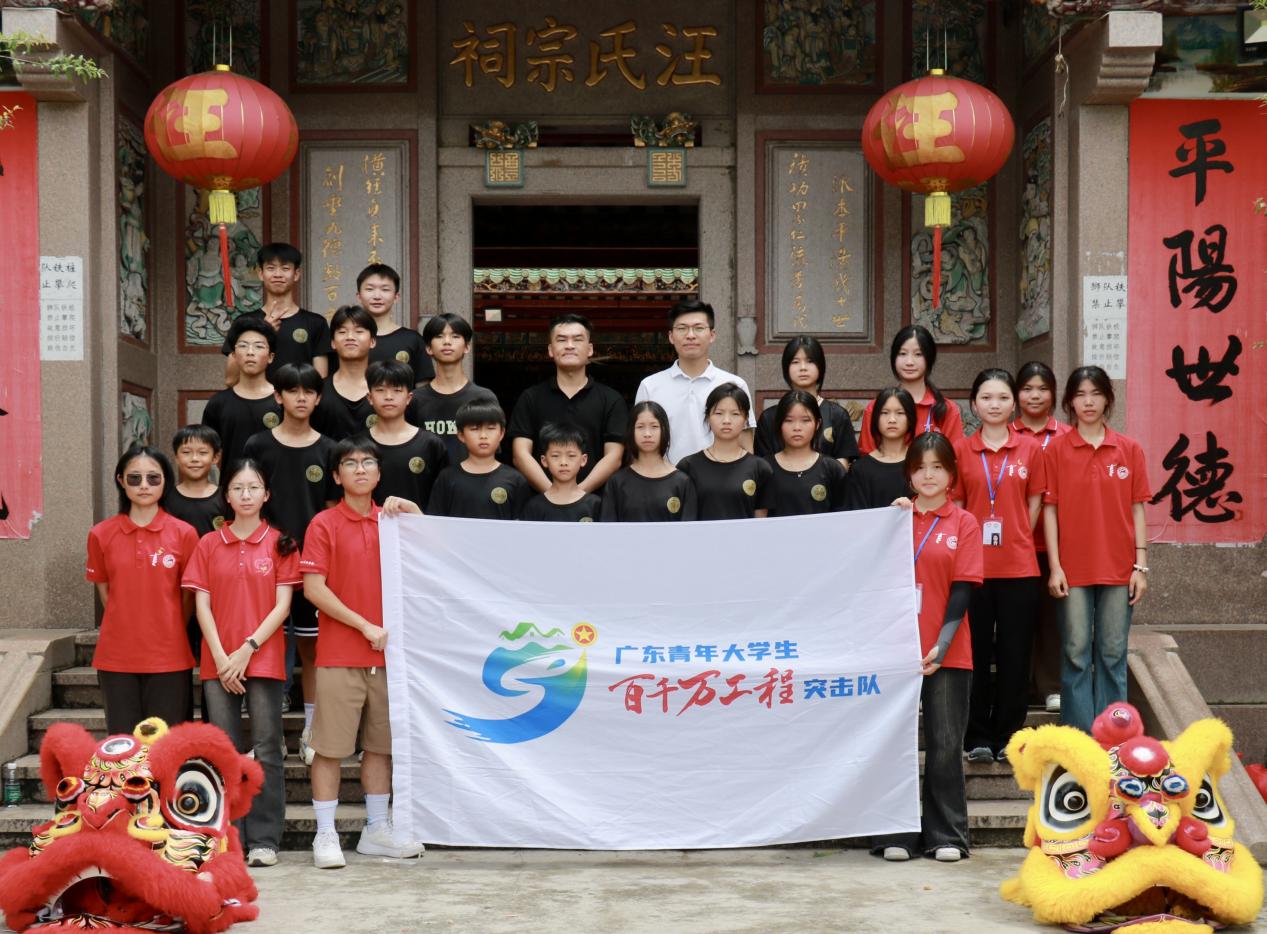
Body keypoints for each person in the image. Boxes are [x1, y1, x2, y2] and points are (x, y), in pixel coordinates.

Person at [300, 436, 425, 868]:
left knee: (381, 747)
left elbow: (433, 558)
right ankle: (325, 833)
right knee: (330, 748)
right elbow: (314, 589)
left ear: (379, 472)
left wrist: (413, 511)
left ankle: (376, 829)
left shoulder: (392, 521)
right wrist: (363, 625)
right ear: (336, 476)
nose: (360, 469)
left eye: (368, 462)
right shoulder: (323, 524)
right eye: (350, 464)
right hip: (339, 654)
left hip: (390, 657)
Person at [182, 458, 300, 869]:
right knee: (223, 750)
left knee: (267, 747)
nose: (246, 495)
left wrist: (247, 648)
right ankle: (227, 838)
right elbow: (202, 605)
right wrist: (220, 657)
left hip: (263, 658)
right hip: (218, 662)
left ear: (266, 494)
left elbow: (282, 606)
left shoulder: (281, 543)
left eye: (253, 487)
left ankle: (265, 839)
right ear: (227, 496)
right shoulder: (208, 544)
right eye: (238, 488)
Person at [872, 432, 982, 863]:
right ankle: (894, 833)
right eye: (920, 468)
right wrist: (888, 520)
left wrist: (942, 644)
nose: (929, 475)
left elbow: (963, 589)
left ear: (951, 473)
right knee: (894, 743)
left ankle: (947, 835)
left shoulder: (964, 523)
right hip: (896, 649)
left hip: (947, 651)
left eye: (938, 467)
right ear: (909, 474)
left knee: (945, 744)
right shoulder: (896, 519)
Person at [1043, 366, 1151, 734]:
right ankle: (1078, 738)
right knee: (1075, 651)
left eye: (1095, 393)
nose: (1088, 402)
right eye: (1080, 395)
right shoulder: (1057, 450)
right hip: (1072, 569)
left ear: (1108, 399)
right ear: (1069, 402)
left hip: (1120, 569)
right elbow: (1050, 510)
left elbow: (1137, 508)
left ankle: (1113, 738)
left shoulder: (1129, 449)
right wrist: (1055, 566)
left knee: (1112, 653)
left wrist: (1141, 566)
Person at [243, 362, 338, 763]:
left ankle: (312, 732)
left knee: (312, 650)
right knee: (267, 648)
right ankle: (270, 735)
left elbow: (332, 509)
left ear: (318, 398)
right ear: (278, 396)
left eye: (309, 391)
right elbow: (247, 500)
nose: (301, 398)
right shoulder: (257, 446)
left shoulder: (329, 449)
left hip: (314, 566)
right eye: (293, 391)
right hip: (266, 563)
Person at [952, 369, 1046, 764]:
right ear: (974, 404)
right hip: (973, 569)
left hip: (1020, 567)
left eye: (1003, 398)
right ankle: (976, 735)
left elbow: (1035, 501)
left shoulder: (1030, 449)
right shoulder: (961, 450)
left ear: (1014, 404)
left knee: (1015, 654)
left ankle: (1010, 735)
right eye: (987, 398)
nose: (995, 405)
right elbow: (957, 505)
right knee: (972, 653)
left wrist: (1019, 533)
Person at [86, 445, 198, 735]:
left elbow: (188, 596)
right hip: (116, 657)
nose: (144, 485)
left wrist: (169, 626)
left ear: (165, 481)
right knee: (123, 745)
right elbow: (105, 592)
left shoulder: (184, 533)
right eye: (134, 478)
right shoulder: (100, 534)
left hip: (169, 655)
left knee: (165, 745)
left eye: (153, 478)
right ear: (121, 481)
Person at [508, 313, 626, 494]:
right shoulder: (530, 398)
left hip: (594, 503)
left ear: (590, 349)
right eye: (562, 340)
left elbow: (614, 457)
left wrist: (578, 495)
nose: (569, 345)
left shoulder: (611, 399)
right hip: (541, 503)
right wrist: (553, 494)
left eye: (577, 339)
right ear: (550, 349)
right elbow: (520, 454)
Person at [1013, 360, 1071, 715]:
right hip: (1012, 544)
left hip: (1056, 544)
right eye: (1027, 389)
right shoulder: (1005, 433)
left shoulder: (1067, 435)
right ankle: (1017, 685)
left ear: (1054, 394)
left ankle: (1050, 685)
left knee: (1052, 619)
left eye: (1042, 389)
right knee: (1018, 619)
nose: (1035, 396)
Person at [635, 298, 756, 464]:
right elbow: (640, 444)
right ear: (671, 336)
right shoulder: (650, 386)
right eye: (682, 328)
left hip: (721, 477)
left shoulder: (734, 384)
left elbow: (745, 444)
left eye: (698, 328)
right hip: (666, 478)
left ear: (712, 335)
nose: (690, 335)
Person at [220, 243, 329, 386]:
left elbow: (320, 382)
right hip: (256, 400)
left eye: (285, 268)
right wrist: (262, 332)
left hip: (299, 399)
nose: (278, 274)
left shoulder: (316, 323)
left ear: (296, 274)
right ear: (261, 274)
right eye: (271, 268)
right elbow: (231, 380)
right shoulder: (243, 323)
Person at [407, 312, 497, 463]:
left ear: (467, 347)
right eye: (439, 336)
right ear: (428, 348)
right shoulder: (414, 399)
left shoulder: (483, 397)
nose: (447, 342)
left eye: (455, 336)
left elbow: (490, 453)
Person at [857, 325, 963, 454]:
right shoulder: (876, 408)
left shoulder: (947, 409)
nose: (909, 362)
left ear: (930, 358)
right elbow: (867, 457)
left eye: (918, 354)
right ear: (893, 358)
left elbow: (954, 459)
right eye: (902, 354)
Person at [754, 336, 858, 467]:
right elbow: (762, 465)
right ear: (786, 367)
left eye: (810, 361)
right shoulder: (769, 417)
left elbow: (842, 463)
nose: (803, 368)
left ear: (820, 366)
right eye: (795, 362)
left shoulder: (837, 415)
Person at [327, 264, 434, 386]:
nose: (377, 296)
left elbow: (422, 390)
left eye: (385, 290)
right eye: (370, 289)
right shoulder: (343, 339)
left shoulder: (413, 340)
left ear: (396, 297)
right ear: (359, 296)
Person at [677, 383, 771, 520]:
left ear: (746, 419)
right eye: (719, 413)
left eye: (735, 414)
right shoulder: (688, 466)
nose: (726, 420)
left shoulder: (760, 468)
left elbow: (761, 523)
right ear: (708, 417)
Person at [427, 399, 531, 520]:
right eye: (474, 429)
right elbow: (435, 523)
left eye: (491, 428)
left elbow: (523, 526)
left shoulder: (515, 480)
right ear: (461, 435)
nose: (483, 436)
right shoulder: (447, 478)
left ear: (501, 433)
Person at [366, 360, 448, 511]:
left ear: (409, 398)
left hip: (420, 524)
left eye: (397, 390)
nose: (388, 396)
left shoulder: (430, 444)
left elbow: (443, 498)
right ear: (370, 398)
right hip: (370, 526)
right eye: (380, 390)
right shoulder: (359, 446)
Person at [202, 318, 283, 466]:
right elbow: (207, 451)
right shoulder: (218, 403)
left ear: (271, 357)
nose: (250, 352)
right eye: (243, 346)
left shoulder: (283, 401)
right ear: (234, 355)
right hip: (231, 480)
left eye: (259, 346)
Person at [600, 401, 697, 522]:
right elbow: (608, 530)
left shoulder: (682, 482)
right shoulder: (617, 482)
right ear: (631, 431)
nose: (647, 434)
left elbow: (689, 530)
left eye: (654, 426)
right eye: (640, 427)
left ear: (664, 430)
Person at [761, 391, 848, 516]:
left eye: (805, 420)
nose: (797, 427)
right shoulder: (764, 468)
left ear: (817, 424)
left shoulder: (833, 469)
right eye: (789, 420)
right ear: (779, 424)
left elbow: (845, 517)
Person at [312, 305, 378, 441]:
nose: (350, 337)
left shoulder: (386, 392)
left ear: (372, 341)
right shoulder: (317, 391)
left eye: (359, 331)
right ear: (332, 343)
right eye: (342, 332)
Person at [846, 388, 916, 511]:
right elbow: (858, 516)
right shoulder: (861, 469)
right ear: (875, 418)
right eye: (884, 413)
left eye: (900, 413)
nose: (892, 420)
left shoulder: (919, 463)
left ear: (910, 418)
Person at [519, 423, 603, 522]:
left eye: (571, 456)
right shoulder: (534, 506)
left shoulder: (595, 504)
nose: (563, 462)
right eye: (555, 456)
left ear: (583, 460)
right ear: (544, 461)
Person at [167, 425, 224, 538]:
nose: (194, 459)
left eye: (202, 452)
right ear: (176, 457)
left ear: (215, 457)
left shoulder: (225, 498)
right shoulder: (166, 498)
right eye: (186, 452)